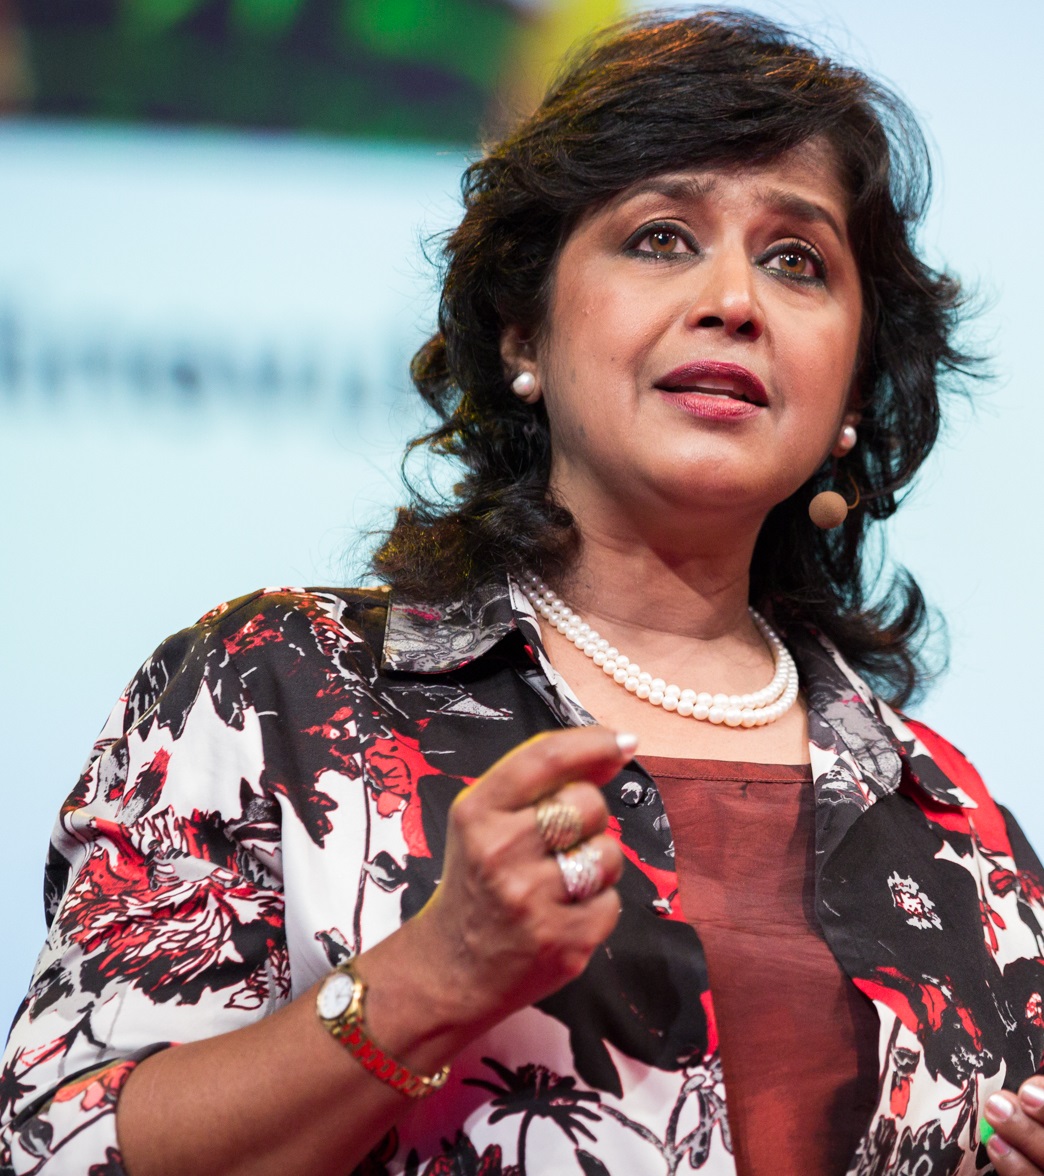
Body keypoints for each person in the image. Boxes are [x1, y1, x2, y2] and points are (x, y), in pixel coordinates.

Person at [3, 10, 1043, 1176]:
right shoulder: (276, 694)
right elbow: (58, 1147)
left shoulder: (959, 834)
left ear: (853, 388)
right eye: (659, 238)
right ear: (521, 332)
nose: (735, 300)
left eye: (796, 260)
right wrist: (429, 979)